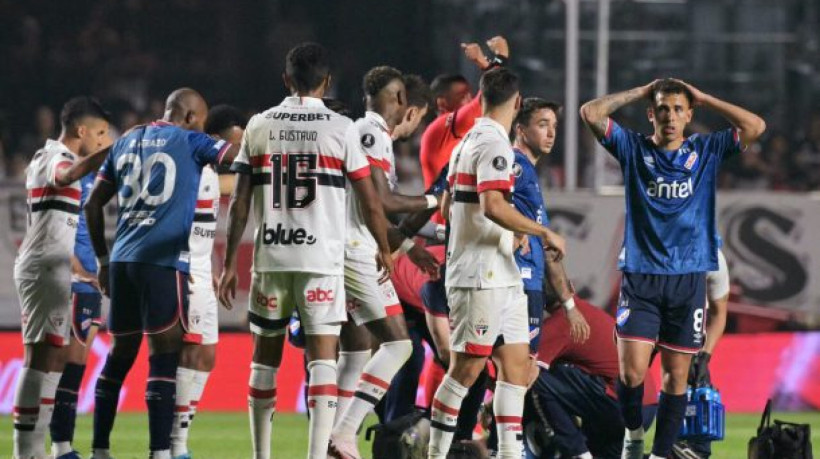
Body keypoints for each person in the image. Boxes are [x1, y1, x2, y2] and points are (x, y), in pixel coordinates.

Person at [216, 43, 392, 459]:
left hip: (271, 259)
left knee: (264, 361)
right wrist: (384, 248)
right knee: (322, 361)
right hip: (320, 261)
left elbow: (240, 200)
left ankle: (262, 456)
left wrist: (227, 266)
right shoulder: (341, 128)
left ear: (286, 79)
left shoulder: (259, 125)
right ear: (327, 82)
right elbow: (369, 200)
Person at [579, 78, 766, 459]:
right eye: (662, 108)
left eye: (679, 109)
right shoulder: (632, 148)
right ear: (651, 113)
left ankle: (661, 454)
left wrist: (707, 96)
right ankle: (633, 435)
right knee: (630, 374)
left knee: (676, 376)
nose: (670, 116)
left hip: (687, 278)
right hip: (641, 275)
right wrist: (640, 90)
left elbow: (755, 127)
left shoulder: (706, 150)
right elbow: (590, 113)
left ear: (689, 115)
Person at [85, 88, 239, 459]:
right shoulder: (188, 140)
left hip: (122, 262)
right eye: (201, 123)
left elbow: (92, 205)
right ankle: (160, 453)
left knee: (120, 356)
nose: (202, 130)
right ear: (189, 118)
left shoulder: (126, 140)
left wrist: (104, 261)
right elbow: (236, 157)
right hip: (164, 260)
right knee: (164, 357)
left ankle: (100, 450)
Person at [428, 67, 566, 459]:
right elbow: (492, 206)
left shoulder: (466, 142)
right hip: (478, 277)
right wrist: (541, 232)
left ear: (481, 98)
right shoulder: (493, 145)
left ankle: (508, 453)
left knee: (516, 369)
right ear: (518, 103)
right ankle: (435, 454)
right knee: (466, 371)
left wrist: (511, 232)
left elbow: (446, 205)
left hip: (501, 274)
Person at [330, 66, 440, 459]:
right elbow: (383, 204)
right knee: (399, 344)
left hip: (341, 247)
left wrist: (409, 245)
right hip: (357, 251)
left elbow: (372, 209)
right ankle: (342, 434)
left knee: (356, 349)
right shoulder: (373, 133)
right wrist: (434, 201)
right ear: (402, 103)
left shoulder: (363, 131)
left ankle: (333, 439)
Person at [12, 96, 112, 459]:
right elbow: (66, 176)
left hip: (51, 268)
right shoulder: (56, 157)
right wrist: (114, 151)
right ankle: (26, 451)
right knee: (38, 359)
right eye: (100, 134)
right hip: (43, 268)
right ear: (80, 131)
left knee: (50, 359)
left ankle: (37, 448)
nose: (103, 140)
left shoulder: (53, 157)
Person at [169, 105, 248, 459]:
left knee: (204, 355)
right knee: (194, 352)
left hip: (201, 269)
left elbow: (237, 182)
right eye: (237, 141)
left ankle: (175, 443)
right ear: (216, 139)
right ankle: (175, 445)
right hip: (182, 270)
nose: (239, 150)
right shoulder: (194, 167)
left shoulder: (211, 174)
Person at [525, 294, 658, 459]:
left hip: (619, 406)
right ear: (571, 289)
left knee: (539, 378)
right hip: (647, 408)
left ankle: (578, 452)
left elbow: (523, 375)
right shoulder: (589, 311)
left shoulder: (559, 323)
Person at [511, 98, 590, 353]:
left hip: (525, 283)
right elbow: (489, 204)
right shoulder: (516, 167)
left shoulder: (528, 173)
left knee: (505, 371)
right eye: (543, 124)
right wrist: (570, 307)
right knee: (521, 369)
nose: (552, 133)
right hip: (519, 285)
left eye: (554, 125)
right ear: (520, 129)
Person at [49, 170, 104, 459]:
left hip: (91, 281)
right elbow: (55, 227)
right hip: (75, 282)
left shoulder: (98, 177)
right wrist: (77, 269)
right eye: (100, 134)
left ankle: (62, 446)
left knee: (77, 363)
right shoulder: (69, 176)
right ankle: (58, 446)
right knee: (64, 364)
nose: (103, 140)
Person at [419, 36, 508, 190]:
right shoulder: (442, 127)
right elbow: (489, 95)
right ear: (442, 103)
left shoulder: (461, 132)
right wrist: (500, 57)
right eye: (462, 96)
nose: (469, 100)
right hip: (445, 214)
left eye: (470, 94)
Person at [674, 247, 730, 458]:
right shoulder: (653, 251)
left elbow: (719, 312)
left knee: (699, 432)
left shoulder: (714, 257)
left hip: (691, 343)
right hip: (653, 340)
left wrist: (704, 357)